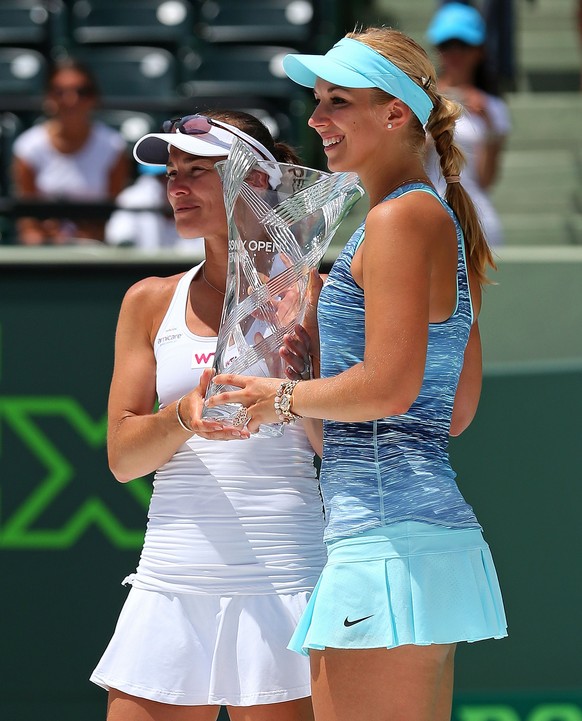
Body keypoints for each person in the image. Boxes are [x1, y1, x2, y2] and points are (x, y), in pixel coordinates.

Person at [205, 27, 508, 721]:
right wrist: (311, 367)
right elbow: (444, 412)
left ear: (395, 113)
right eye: (317, 101)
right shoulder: (423, 220)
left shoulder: (401, 220)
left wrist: (277, 396)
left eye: (337, 101)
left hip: (386, 545)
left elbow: (390, 388)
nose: (316, 120)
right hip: (417, 540)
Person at [89, 109, 326, 721]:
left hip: (286, 572)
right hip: (169, 578)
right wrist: (183, 418)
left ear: (258, 181)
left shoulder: (318, 295)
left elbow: (344, 451)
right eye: (172, 172)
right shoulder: (147, 301)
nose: (176, 187)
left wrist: (301, 389)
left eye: (198, 171)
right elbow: (122, 458)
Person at [11, 58, 130, 244]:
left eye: (82, 92)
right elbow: (28, 224)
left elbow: (114, 216)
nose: (71, 100)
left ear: (94, 98)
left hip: (97, 249)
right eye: (60, 92)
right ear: (48, 97)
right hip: (45, 250)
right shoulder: (28, 147)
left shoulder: (113, 147)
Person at [425, 2, 511, 246]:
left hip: (477, 218)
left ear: (479, 50)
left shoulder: (494, 108)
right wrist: (436, 120)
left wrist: (490, 125)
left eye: (463, 45)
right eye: (446, 45)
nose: (454, 53)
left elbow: (485, 179)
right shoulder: (420, 101)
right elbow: (410, 164)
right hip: (427, 213)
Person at [105, 162, 205, 252]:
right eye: (170, 175)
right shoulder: (132, 198)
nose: (174, 186)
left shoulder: (206, 199)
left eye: (174, 174)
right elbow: (120, 240)